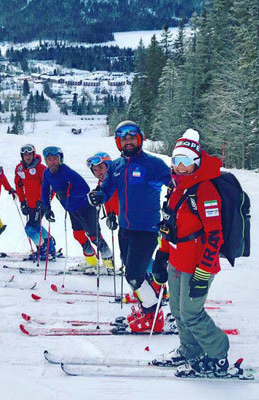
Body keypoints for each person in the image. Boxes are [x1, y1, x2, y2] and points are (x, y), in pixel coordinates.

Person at [151, 129, 229, 377]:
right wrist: (162, 255)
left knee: (192, 314)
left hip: (198, 264)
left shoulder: (205, 190)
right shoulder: (176, 187)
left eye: (186, 162)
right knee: (177, 311)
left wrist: (204, 272)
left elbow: (215, 235)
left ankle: (218, 354)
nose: (181, 167)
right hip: (176, 259)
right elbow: (169, 225)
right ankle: (190, 351)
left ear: (196, 163)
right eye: (177, 161)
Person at [87, 120, 171, 331]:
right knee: (133, 270)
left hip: (147, 229)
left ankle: (153, 315)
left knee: (133, 274)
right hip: (125, 229)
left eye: (132, 137)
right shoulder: (115, 166)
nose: (128, 141)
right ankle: (149, 302)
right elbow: (106, 189)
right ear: (118, 142)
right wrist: (99, 196)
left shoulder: (154, 164)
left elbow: (177, 185)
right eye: (124, 138)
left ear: (140, 139)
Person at [41, 146, 113, 273]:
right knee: (78, 234)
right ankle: (91, 261)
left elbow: (84, 188)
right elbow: (45, 190)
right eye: (49, 159)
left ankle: (110, 265)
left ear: (60, 159)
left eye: (54, 159)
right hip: (72, 209)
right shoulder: (47, 174)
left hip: (85, 207)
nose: (52, 162)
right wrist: (47, 208)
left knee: (94, 236)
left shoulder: (66, 171)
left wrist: (68, 193)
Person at [14, 144, 57, 260]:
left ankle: (43, 250)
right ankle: (50, 246)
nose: (27, 157)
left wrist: (44, 202)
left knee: (30, 228)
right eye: (25, 155)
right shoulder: (19, 168)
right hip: (30, 204)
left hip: (40, 204)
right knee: (36, 226)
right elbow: (18, 186)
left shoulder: (42, 169)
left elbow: (51, 188)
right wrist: (22, 202)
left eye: (29, 154)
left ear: (34, 154)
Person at [86, 152, 119, 232]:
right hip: (124, 222)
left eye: (101, 168)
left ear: (109, 167)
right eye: (95, 170)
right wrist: (110, 214)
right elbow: (106, 199)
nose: (98, 173)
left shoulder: (118, 180)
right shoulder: (101, 183)